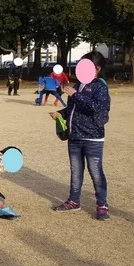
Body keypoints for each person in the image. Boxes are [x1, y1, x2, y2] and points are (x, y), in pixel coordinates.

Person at [50, 51, 111, 221]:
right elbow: (74, 109)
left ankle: (102, 205)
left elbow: (96, 108)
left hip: (92, 137)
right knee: (76, 171)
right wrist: (61, 113)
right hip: (75, 135)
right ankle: (73, 201)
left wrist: (75, 95)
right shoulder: (78, 85)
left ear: (97, 68)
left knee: (95, 171)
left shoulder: (100, 86)